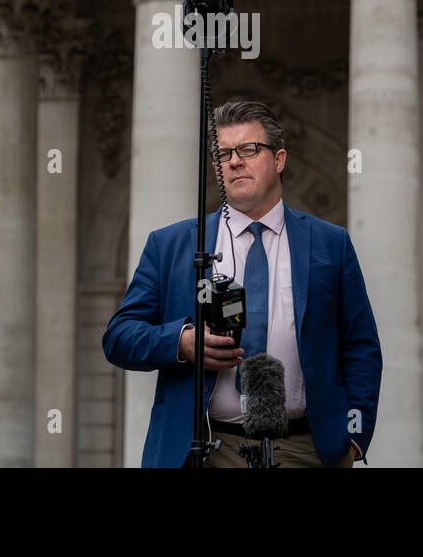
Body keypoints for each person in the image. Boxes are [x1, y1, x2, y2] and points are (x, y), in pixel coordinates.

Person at [103, 100, 383, 467]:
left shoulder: (331, 244)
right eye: (223, 153)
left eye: (249, 149)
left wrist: (352, 441)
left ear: (279, 159)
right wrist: (180, 342)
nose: (235, 161)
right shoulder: (171, 245)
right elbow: (119, 336)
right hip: (205, 449)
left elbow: (361, 346)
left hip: (306, 450)